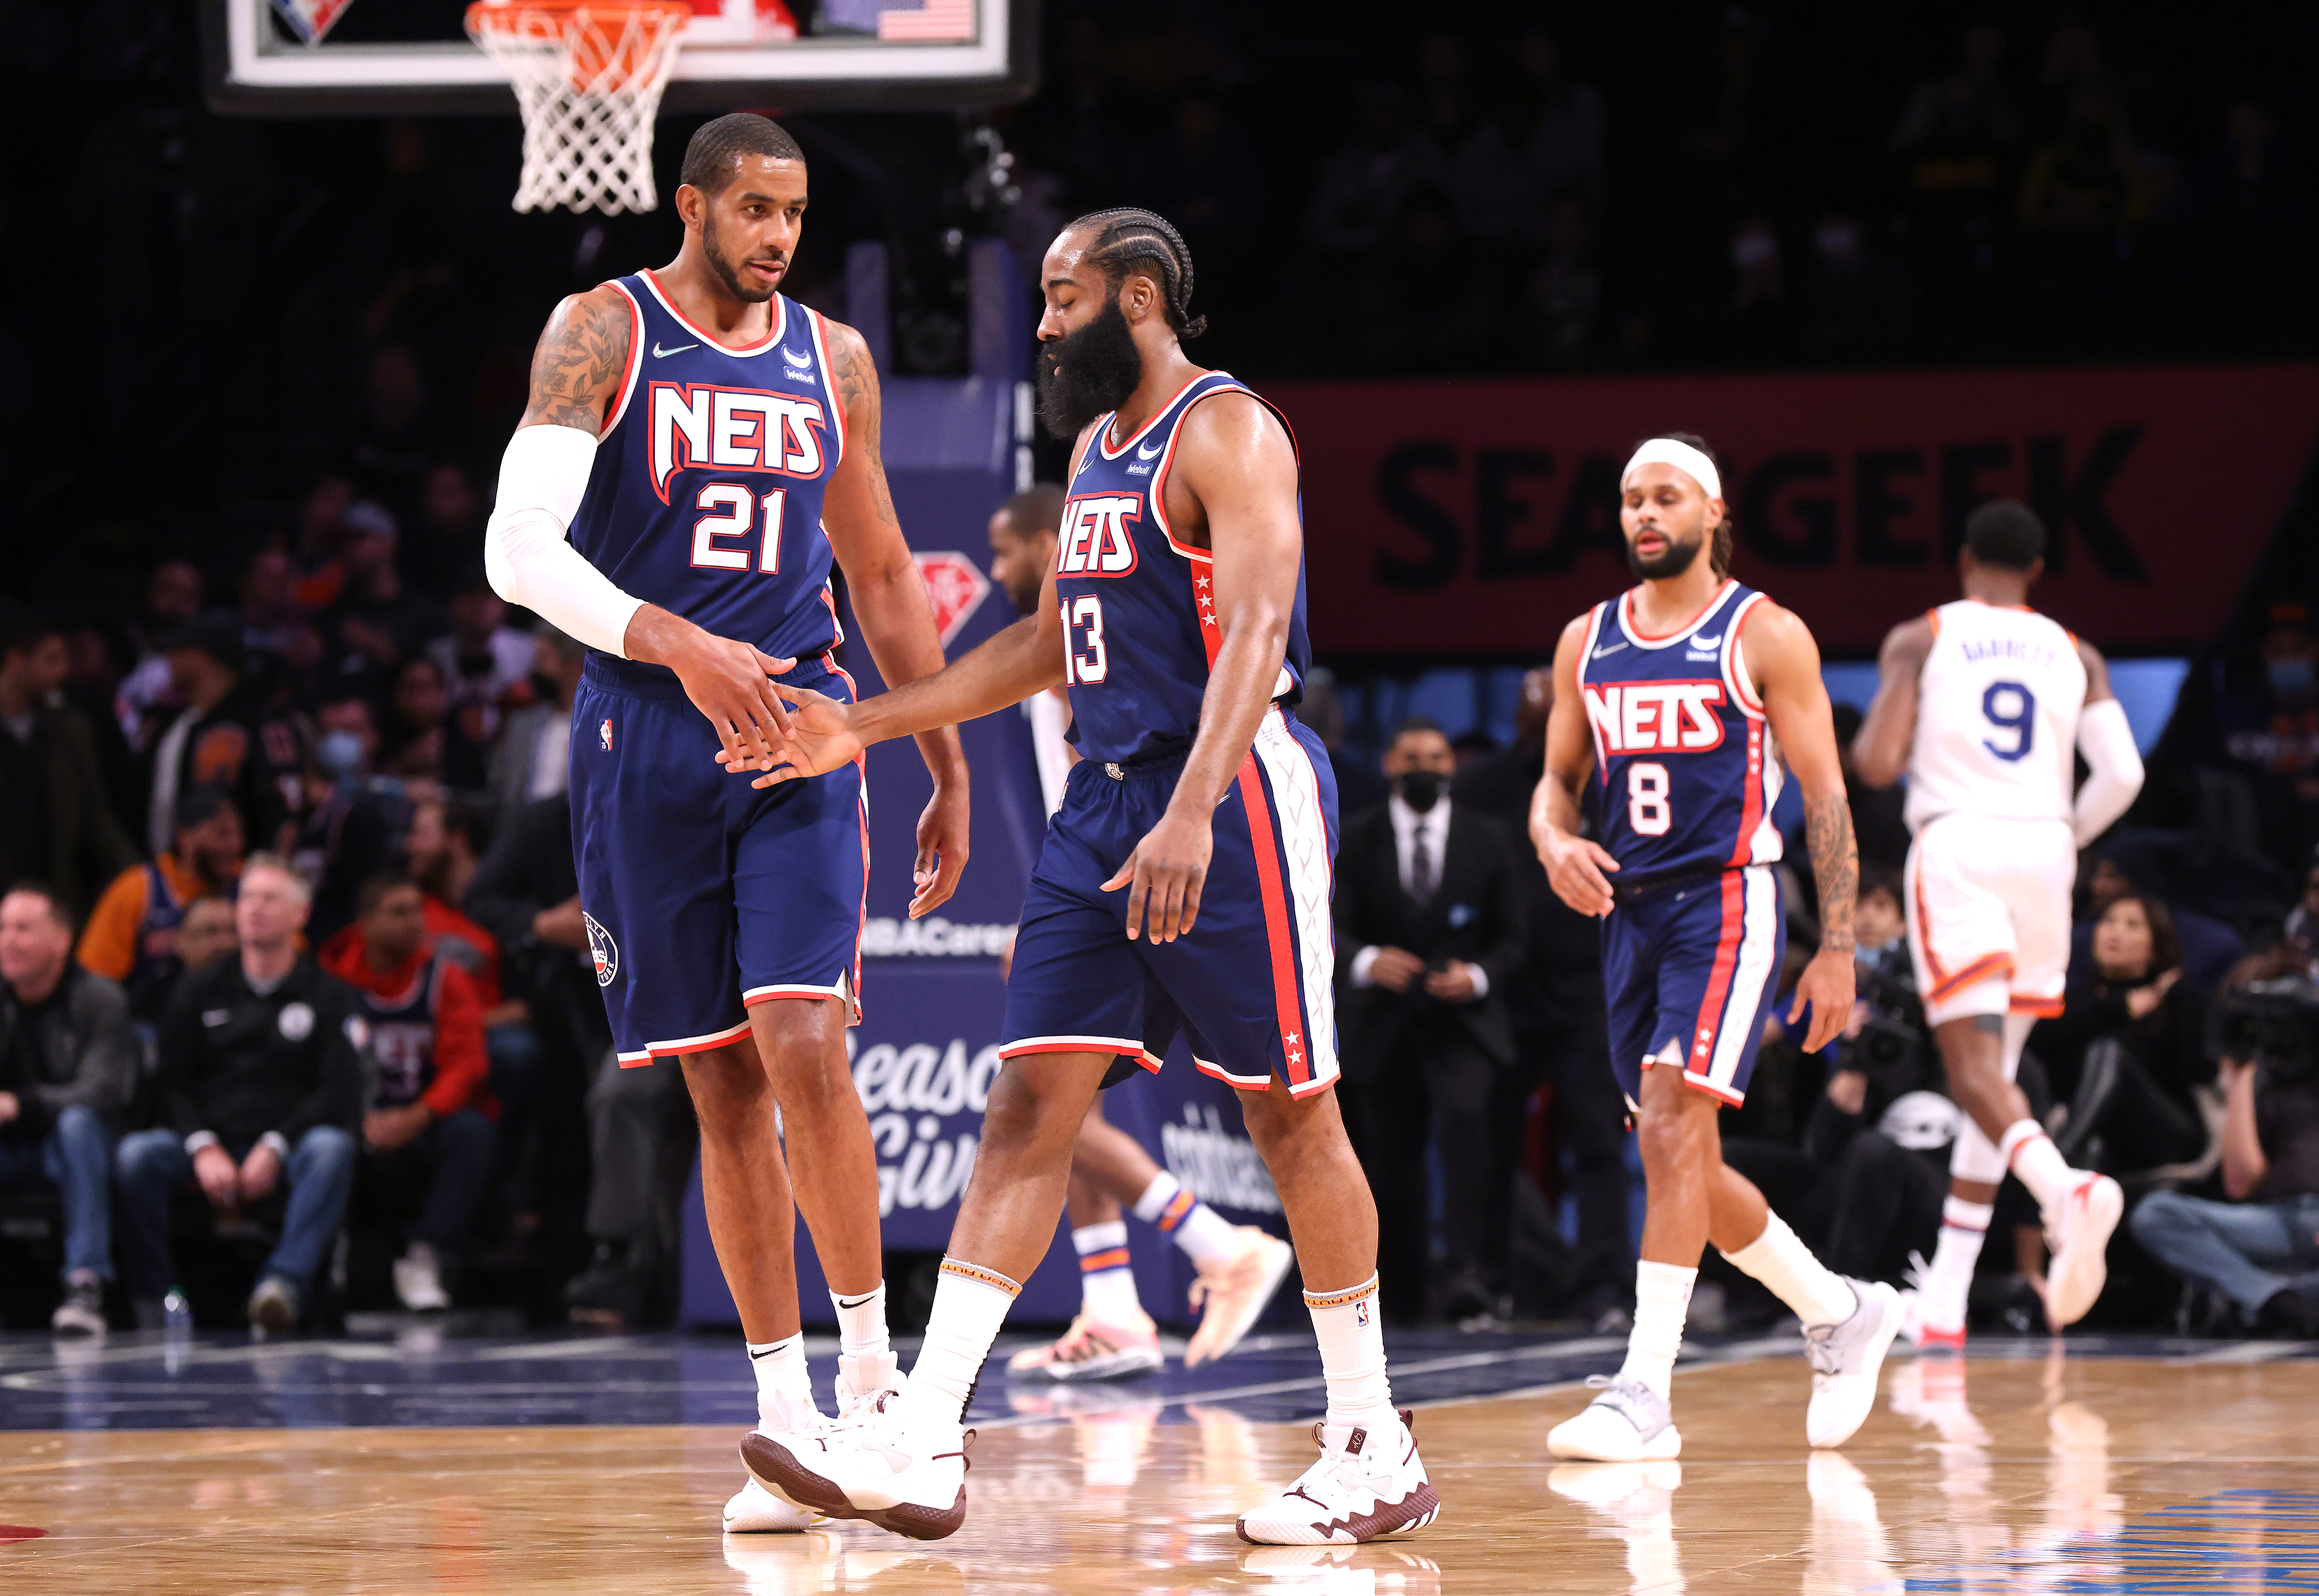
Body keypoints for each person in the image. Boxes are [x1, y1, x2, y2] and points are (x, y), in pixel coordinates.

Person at [733, 208, 1440, 1545]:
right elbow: (1050, 639)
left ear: (1139, 296)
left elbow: (1263, 626)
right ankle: (930, 1433)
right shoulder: (1098, 451)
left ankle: (1369, 1438)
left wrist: (1188, 811)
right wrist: (866, 724)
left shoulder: (1228, 431)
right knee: (1023, 1110)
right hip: (1102, 804)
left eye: (1062, 299)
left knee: (1291, 1113)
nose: (1046, 324)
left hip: (1224, 793)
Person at [479, 113, 970, 1535]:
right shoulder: (602, 331)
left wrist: (934, 752)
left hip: (801, 732)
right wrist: (678, 642)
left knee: (804, 1036)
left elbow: (881, 570)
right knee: (720, 1086)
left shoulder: (835, 360)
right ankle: (783, 1416)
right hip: (646, 731)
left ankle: (878, 1388)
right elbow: (520, 553)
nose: (776, 236)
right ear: (690, 202)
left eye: (795, 214)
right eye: (753, 208)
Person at [1531, 432, 1894, 1463]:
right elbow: (1557, 783)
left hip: (1728, 900)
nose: (1645, 514)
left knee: (1677, 1112)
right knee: (1675, 1152)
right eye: (1632, 499)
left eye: (1666, 497)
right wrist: (1554, 838)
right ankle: (1839, 1310)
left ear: (1713, 513)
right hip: (1627, 913)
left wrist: (1837, 947)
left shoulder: (1765, 633)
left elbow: (1826, 797)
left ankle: (1645, 1388)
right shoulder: (1586, 640)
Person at [988, 482, 1296, 1381]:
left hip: (1142, 856)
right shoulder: (1063, 642)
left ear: (1055, 542)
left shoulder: (1099, 637)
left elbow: (1103, 768)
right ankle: (1116, 1306)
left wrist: (1066, 898)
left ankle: (1215, 1241)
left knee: (1043, 1102)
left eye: (1007, 549)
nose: (997, 568)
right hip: (1089, 858)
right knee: (1054, 1100)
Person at [1852, 499, 2145, 1350]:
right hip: (2047, 851)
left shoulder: (1926, 633)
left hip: (1960, 845)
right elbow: (2122, 772)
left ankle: (2063, 1192)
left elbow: (1873, 760)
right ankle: (1944, 1292)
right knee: (2000, 1071)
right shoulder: (2076, 650)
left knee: (1972, 1069)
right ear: (2039, 572)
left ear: (1963, 558)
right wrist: (2066, 831)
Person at [116, 856, 364, 1329]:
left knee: (332, 1149)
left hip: (289, 1143)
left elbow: (338, 1091)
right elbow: (171, 1083)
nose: (254, 909)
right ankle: (162, 1298)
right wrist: (203, 1145)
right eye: (247, 897)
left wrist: (275, 1146)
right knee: (136, 1157)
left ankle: (282, 1286)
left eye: (270, 898)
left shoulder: (327, 994)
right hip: (208, 1143)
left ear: (300, 914)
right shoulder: (200, 989)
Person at [1335, 716, 1529, 1321]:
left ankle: (1470, 1278)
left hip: (1461, 1023)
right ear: (1390, 763)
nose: (1425, 767)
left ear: (1453, 766)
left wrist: (1475, 976)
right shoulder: (1355, 835)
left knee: (1469, 1141)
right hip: (1382, 1021)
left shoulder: (1488, 837)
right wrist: (1366, 961)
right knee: (1388, 1160)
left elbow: (1514, 936)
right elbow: (1323, 921)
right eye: (1412, 756)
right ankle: (1397, 1290)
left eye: (1437, 757)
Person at [1456, 667, 1632, 1323]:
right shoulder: (1479, 786)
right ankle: (1496, 1283)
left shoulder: (1609, 783)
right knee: (1492, 1143)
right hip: (1505, 987)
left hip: (1589, 982)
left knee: (1596, 1141)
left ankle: (1606, 1288)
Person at [321, 872, 496, 1312]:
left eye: (418, 909)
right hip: (356, 1120)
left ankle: (427, 1255)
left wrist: (417, 1115)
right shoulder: (333, 981)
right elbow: (319, 1066)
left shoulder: (444, 978)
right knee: (325, 1142)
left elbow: (466, 1063)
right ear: (365, 923)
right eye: (398, 912)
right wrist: (358, 1118)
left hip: (422, 1119)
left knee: (473, 1133)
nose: (415, 922)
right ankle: (330, 1259)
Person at [2128, 958, 2319, 1337]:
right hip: (2279, 1221)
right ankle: (2275, 1301)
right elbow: (2240, 1182)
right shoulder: (2267, 1080)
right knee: (2156, 1213)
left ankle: (2267, 1301)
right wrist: (2242, 1077)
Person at [0, 884, 138, 1335]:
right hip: (10, 1149)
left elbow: (101, 1091)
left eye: (23, 928)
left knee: (78, 1124)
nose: (8, 940)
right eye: (2, 927)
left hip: (74, 1149)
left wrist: (24, 1103)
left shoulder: (100, 999)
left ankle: (86, 1284)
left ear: (62, 940)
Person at [2035, 892, 2210, 1173]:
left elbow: (2200, 1069)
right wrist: (2123, 1006)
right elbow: (2039, 1039)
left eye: (2133, 925)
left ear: (2155, 947)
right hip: (2106, 1135)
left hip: (2167, 1129)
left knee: (2109, 1052)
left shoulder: (2176, 999)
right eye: (2109, 921)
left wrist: (2176, 1004)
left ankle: (2055, 1165)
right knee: (2095, 1148)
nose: (2116, 931)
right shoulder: (2080, 999)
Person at [0, 608, 138, 921]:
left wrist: (137, 874)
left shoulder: (69, 730)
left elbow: (95, 813)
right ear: (15, 660)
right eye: (51, 659)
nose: (63, 670)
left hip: (54, 895)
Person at [78, 786, 245, 1021]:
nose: (234, 846)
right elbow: (94, 982)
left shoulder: (252, 888)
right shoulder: (138, 889)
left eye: (238, 834)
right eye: (221, 834)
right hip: (151, 1030)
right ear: (185, 838)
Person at [489, 625, 584, 821]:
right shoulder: (522, 724)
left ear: (575, 664)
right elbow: (500, 793)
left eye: (544, 658)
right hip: (520, 830)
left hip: (569, 832)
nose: (535, 670)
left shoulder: (599, 727)